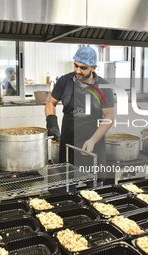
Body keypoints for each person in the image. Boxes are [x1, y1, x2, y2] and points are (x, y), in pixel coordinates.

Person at [45, 46, 115, 190]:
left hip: (93, 146)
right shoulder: (64, 81)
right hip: (69, 144)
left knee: (94, 190)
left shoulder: (104, 87)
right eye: (76, 66)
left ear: (94, 67)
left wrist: (92, 140)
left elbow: (109, 118)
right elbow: (50, 103)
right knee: (69, 190)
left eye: (83, 68)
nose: (77, 71)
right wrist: (51, 123)